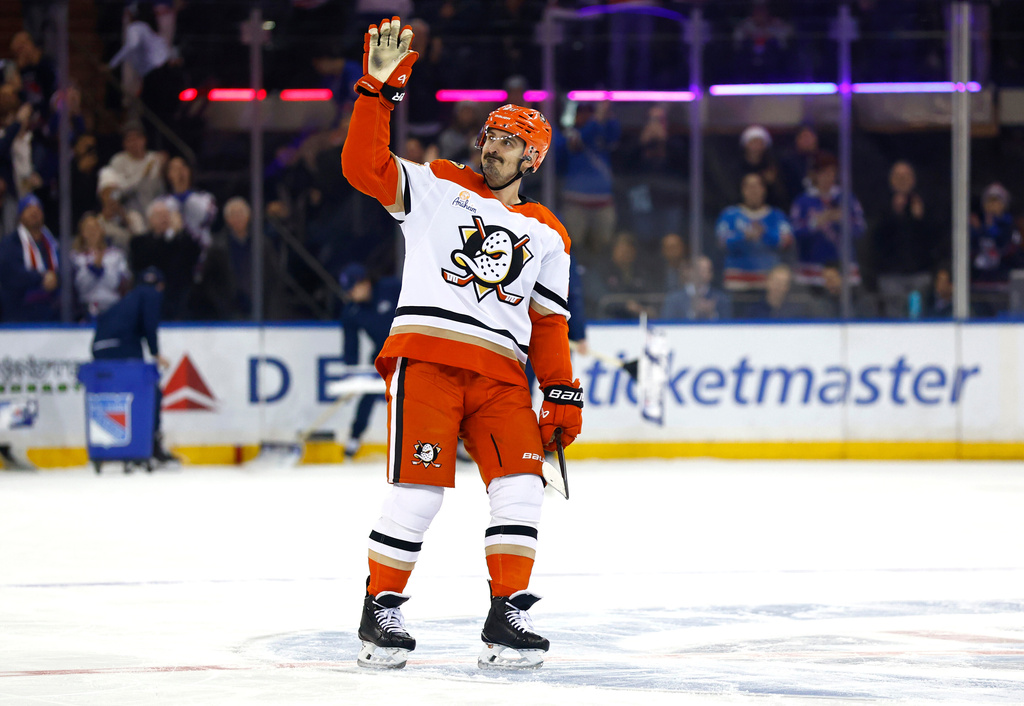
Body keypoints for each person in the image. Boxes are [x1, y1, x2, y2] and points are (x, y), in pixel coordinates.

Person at [341, 18, 582, 671]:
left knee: (522, 487)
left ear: (533, 159)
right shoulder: (439, 187)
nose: (494, 147)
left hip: (503, 378)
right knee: (420, 492)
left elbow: (550, 324)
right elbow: (363, 167)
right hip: (431, 360)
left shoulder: (551, 234)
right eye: (492, 136)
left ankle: (508, 617)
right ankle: (379, 607)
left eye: (510, 142)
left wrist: (561, 394)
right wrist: (376, 91)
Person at [91, 266, 177, 465]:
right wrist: (156, 353)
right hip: (122, 346)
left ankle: (118, 445)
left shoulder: (131, 297)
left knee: (120, 394)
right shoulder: (152, 295)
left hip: (100, 346)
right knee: (148, 392)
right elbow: (150, 323)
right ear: (161, 286)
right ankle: (148, 445)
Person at [337, 262, 400, 458]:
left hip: (414, 350)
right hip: (384, 354)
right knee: (368, 393)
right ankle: (355, 436)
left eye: (352, 289)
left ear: (364, 282)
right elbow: (351, 345)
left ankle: (456, 443)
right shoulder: (351, 311)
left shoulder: (392, 288)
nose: (350, 295)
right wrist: (351, 373)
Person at [789, 151, 865, 287]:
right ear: (815, 175)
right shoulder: (803, 201)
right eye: (824, 173)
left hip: (844, 269)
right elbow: (794, 233)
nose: (828, 177)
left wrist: (843, 221)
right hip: (811, 271)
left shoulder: (847, 199)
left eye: (832, 173)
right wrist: (815, 223)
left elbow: (860, 230)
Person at [716, 171, 794, 292]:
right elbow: (722, 242)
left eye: (757, 186)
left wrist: (765, 234)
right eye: (749, 187)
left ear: (764, 189)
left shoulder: (776, 215)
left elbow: (787, 242)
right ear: (743, 190)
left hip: (768, 283)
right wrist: (744, 237)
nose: (753, 191)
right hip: (737, 281)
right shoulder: (729, 214)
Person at [0, 194, 60, 321]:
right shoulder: (10, 243)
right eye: (29, 208)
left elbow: (65, 267)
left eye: (38, 208)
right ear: (20, 215)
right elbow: (12, 273)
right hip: (20, 310)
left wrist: (57, 278)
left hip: (52, 308)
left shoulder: (52, 242)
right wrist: (41, 277)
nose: (34, 211)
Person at [71, 212, 130, 321]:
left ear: (102, 230)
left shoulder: (116, 255)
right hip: (85, 309)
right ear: (82, 232)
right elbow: (80, 287)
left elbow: (118, 285)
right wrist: (94, 268)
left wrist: (101, 269)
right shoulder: (76, 257)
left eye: (95, 227)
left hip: (113, 307)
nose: (92, 231)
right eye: (88, 228)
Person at [105, 120, 166, 216]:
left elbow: (160, 191)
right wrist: (143, 175)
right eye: (129, 140)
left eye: (137, 138)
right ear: (124, 144)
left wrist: (164, 169)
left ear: (144, 140)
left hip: (155, 208)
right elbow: (118, 192)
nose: (134, 143)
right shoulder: (118, 161)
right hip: (129, 211)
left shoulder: (154, 158)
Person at [660, 255, 731, 321]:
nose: (705, 273)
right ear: (690, 271)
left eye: (708, 270)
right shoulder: (673, 299)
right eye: (701, 269)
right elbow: (667, 326)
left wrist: (711, 313)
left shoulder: (721, 299)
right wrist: (692, 312)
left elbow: (730, 326)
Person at [746, 262, 810, 319]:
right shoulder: (754, 311)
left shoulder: (797, 312)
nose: (778, 286)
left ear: (787, 287)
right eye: (776, 281)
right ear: (767, 282)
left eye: (782, 283)